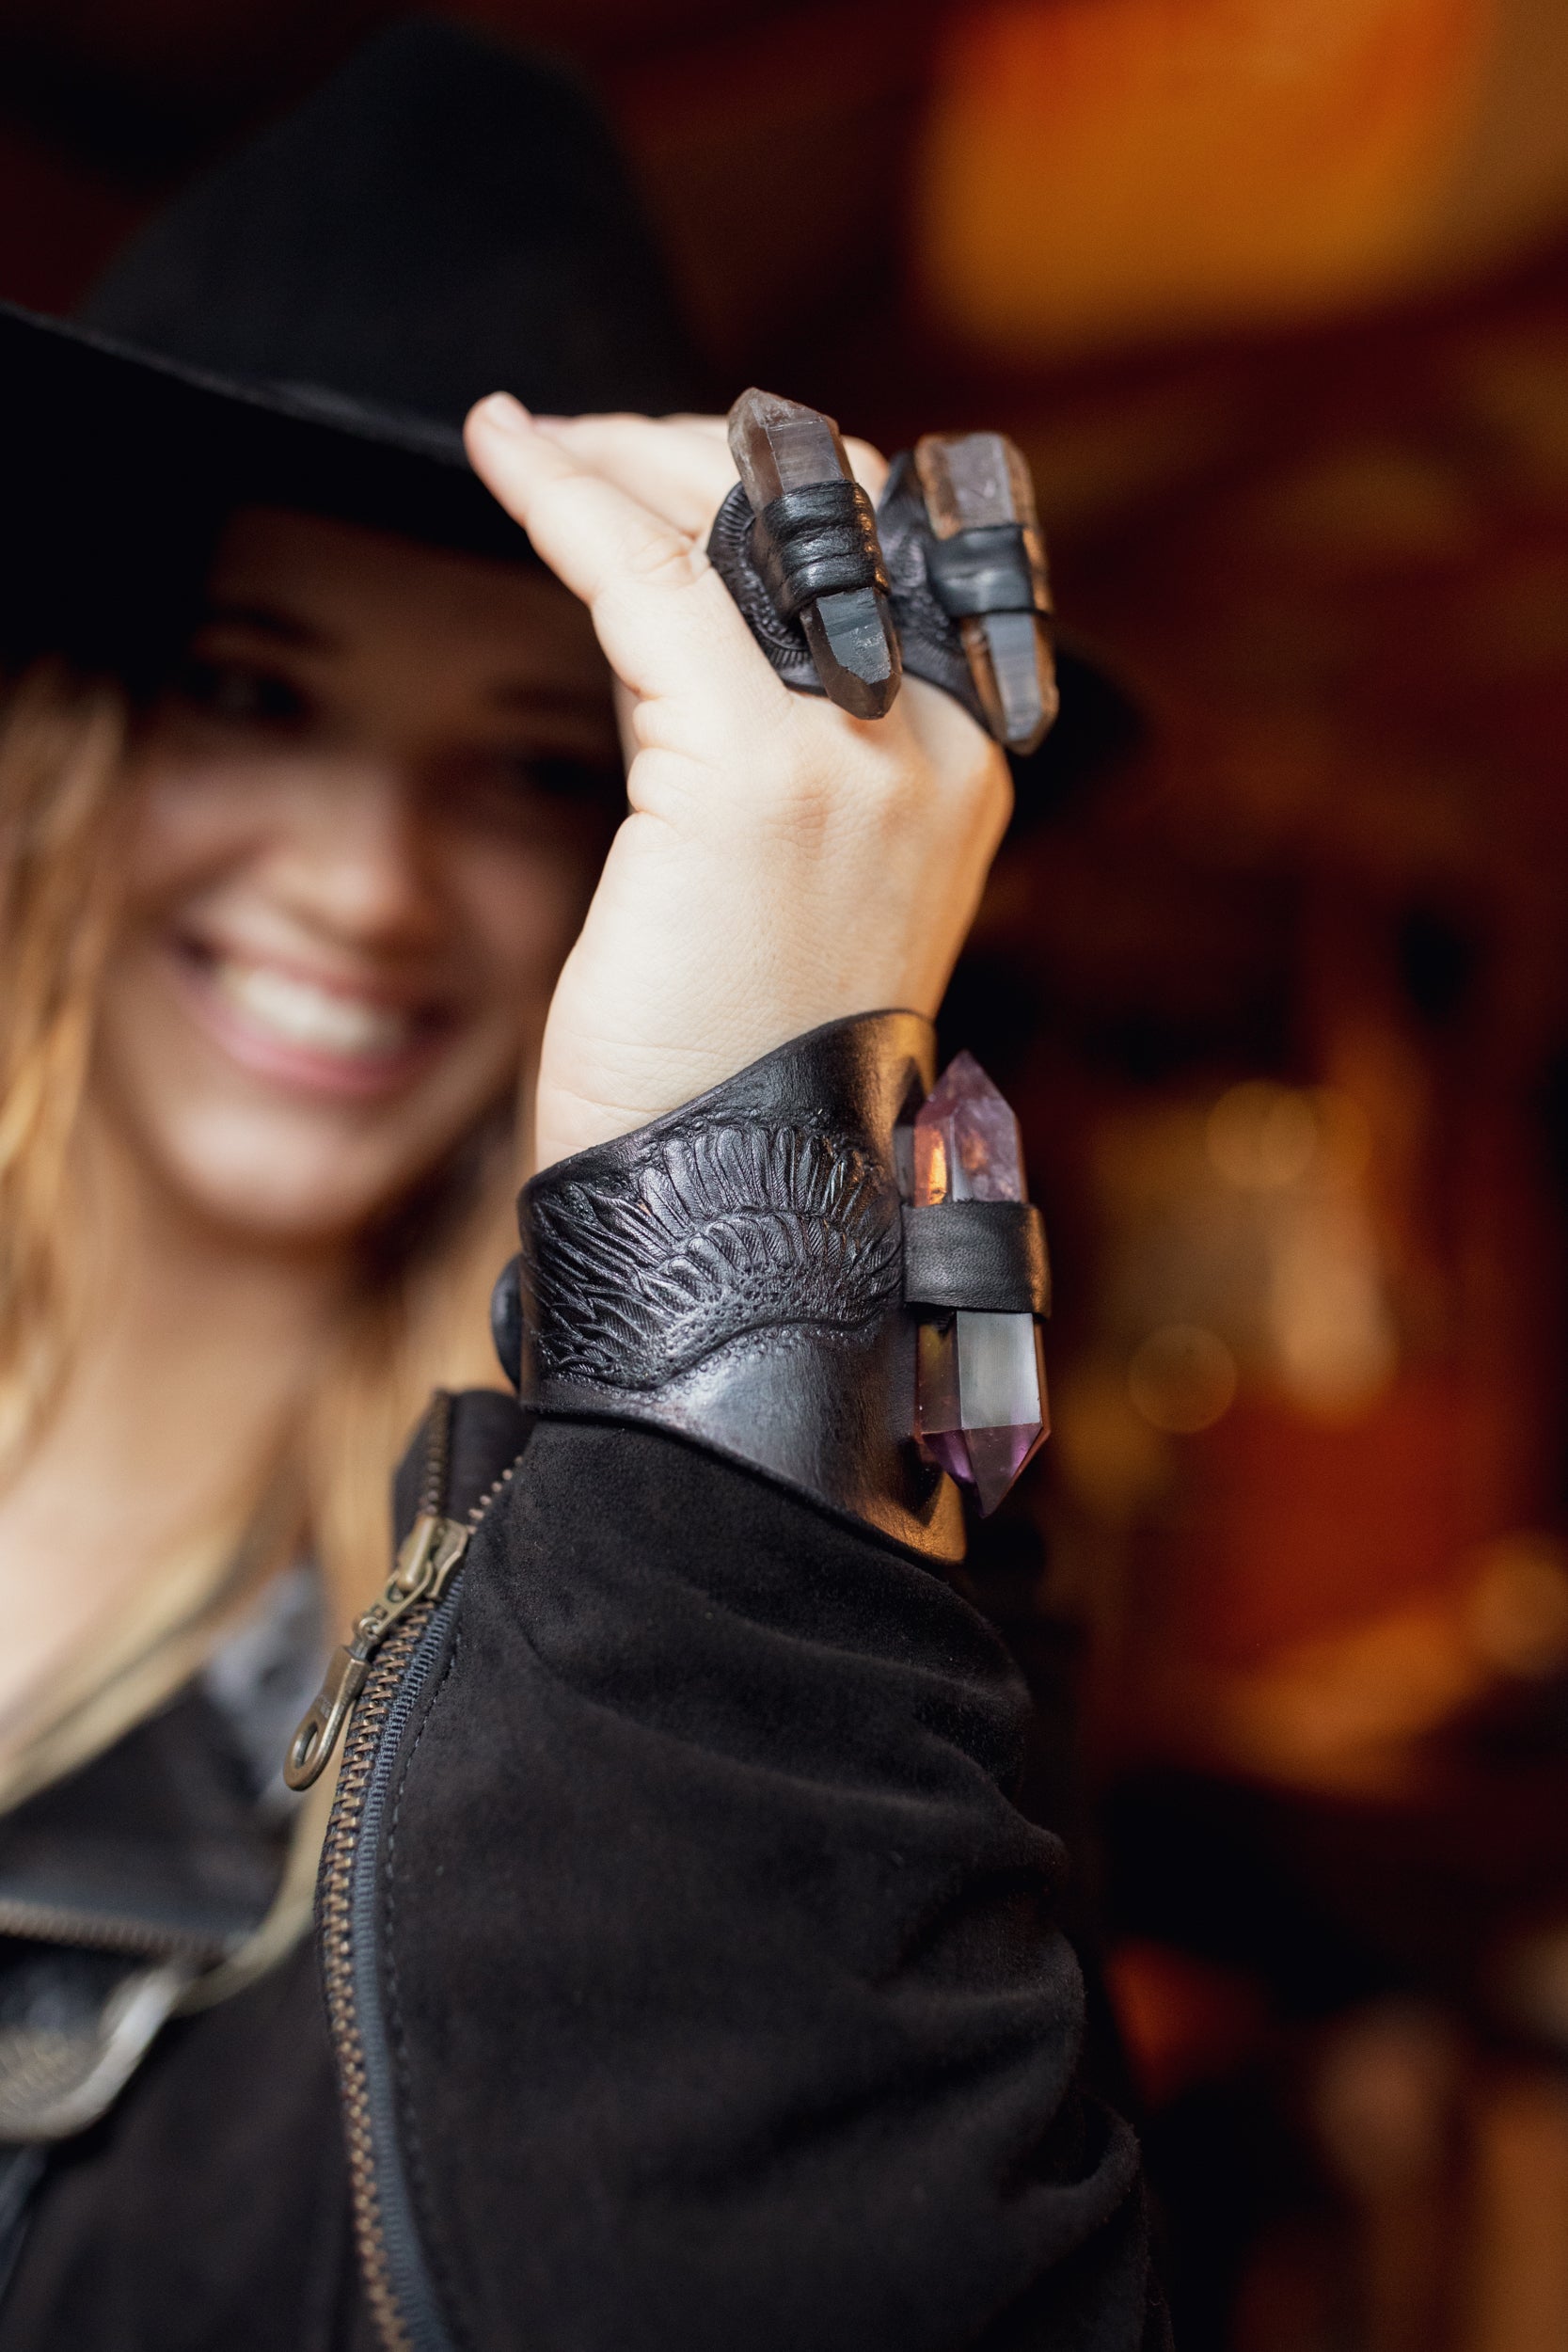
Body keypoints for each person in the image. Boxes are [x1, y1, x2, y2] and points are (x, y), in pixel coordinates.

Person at [0, 21, 1164, 2348]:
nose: (364, 881)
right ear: (66, 747)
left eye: (536, 763)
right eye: (257, 691)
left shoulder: (731, 1626)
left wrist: (756, 1166)